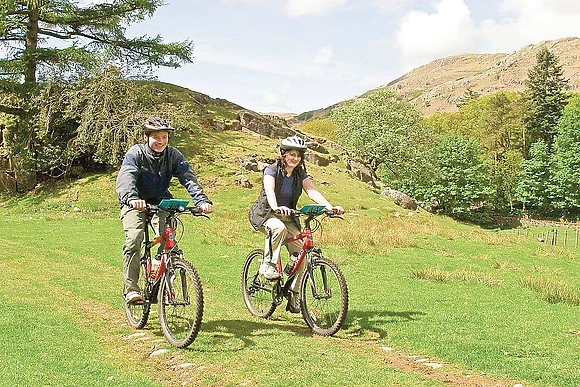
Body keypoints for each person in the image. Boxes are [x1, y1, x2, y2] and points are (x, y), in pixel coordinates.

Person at [116, 117, 214, 303]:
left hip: (160, 201)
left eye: (164, 137)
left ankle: (162, 278)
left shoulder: (174, 155)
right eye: (156, 137)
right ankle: (131, 290)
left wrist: (201, 201)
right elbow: (126, 178)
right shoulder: (135, 153)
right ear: (146, 137)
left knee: (168, 238)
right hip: (134, 202)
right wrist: (132, 198)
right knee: (134, 239)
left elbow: (188, 178)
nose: (160, 141)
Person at [248, 135, 344, 313]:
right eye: (291, 154)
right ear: (283, 154)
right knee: (278, 228)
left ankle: (294, 293)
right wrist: (276, 207)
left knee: (305, 255)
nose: (295, 158)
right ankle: (268, 265)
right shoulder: (271, 170)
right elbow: (269, 190)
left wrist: (330, 207)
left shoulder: (300, 174)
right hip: (266, 214)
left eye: (298, 156)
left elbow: (312, 191)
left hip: (289, 216)